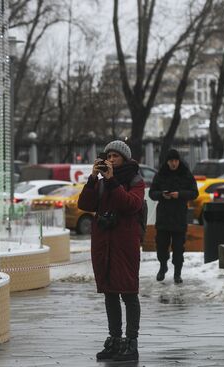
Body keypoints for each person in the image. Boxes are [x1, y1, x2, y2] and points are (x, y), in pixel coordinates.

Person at [77, 140, 145, 362]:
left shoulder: (135, 180)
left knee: (128, 293)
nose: (111, 159)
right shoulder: (101, 181)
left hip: (124, 245)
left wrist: (112, 181)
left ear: (124, 159)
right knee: (110, 293)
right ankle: (115, 340)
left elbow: (131, 205)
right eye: (109, 155)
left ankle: (131, 342)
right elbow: (85, 204)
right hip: (104, 244)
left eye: (115, 155)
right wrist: (92, 178)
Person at [149, 149, 198, 284]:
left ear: (179, 161)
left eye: (176, 160)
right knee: (161, 245)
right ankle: (163, 266)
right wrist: (161, 195)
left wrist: (180, 194)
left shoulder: (185, 174)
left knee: (178, 247)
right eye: (171, 161)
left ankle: (177, 273)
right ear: (167, 162)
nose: (174, 163)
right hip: (164, 216)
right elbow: (152, 193)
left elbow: (194, 193)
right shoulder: (161, 174)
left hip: (179, 216)